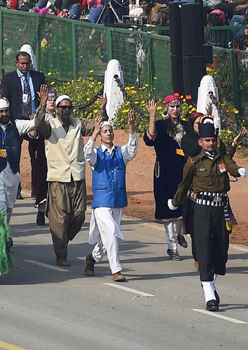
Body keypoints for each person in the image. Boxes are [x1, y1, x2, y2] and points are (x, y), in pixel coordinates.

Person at [169, 120, 248, 311]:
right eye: (207, 140)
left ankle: (209, 281)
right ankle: (209, 293)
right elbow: (184, 185)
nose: (211, 143)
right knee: (204, 249)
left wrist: (239, 171)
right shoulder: (194, 163)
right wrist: (175, 202)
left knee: (221, 249)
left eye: (212, 140)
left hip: (220, 209)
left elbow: (230, 165)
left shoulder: (221, 158)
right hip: (202, 209)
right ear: (200, 142)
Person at [34, 93, 97, 266]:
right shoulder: (50, 125)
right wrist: (41, 104)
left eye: (69, 107)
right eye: (63, 107)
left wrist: (103, 108)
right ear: (57, 109)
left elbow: (96, 127)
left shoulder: (78, 124)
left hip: (77, 176)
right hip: (57, 177)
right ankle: (61, 254)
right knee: (59, 219)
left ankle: (63, 236)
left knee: (79, 215)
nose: (67, 110)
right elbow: (38, 124)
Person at [83, 114, 138, 282]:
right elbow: (86, 153)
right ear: (100, 136)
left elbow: (132, 150)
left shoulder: (121, 152)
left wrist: (131, 127)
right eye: (105, 131)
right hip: (101, 203)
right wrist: (94, 132)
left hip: (117, 201)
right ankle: (116, 270)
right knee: (112, 233)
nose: (108, 133)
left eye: (110, 131)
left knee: (108, 237)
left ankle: (92, 258)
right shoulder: (96, 155)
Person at [0, 45, 48, 224]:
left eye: (27, 64)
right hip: (15, 122)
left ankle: (38, 191)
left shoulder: (38, 77)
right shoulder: (9, 78)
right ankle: (16, 186)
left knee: (38, 157)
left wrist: (38, 116)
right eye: (22, 64)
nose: (25, 67)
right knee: (14, 156)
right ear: (16, 63)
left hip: (33, 120)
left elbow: (43, 96)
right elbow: (5, 97)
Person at [0, 98, 38, 238]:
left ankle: (3, 229)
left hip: (12, 172)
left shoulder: (17, 125)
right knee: (1, 204)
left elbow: (36, 123)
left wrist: (41, 107)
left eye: (6, 111)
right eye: (1, 111)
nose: (4, 114)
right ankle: (4, 237)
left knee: (9, 206)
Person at [145, 96, 189, 259]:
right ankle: (172, 248)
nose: (175, 110)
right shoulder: (160, 125)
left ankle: (179, 232)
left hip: (183, 171)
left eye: (177, 106)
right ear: (166, 108)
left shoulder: (185, 126)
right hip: (165, 173)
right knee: (170, 210)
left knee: (184, 207)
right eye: (172, 106)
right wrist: (151, 116)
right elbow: (150, 139)